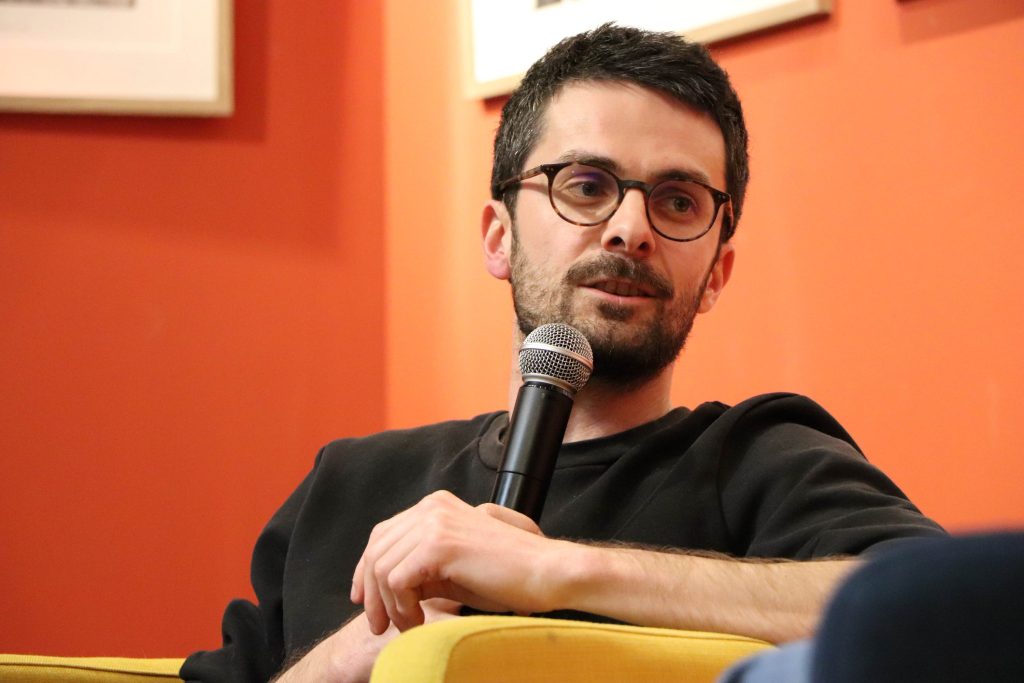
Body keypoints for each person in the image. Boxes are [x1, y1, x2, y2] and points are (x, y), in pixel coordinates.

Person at [180, 24, 944, 683]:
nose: (630, 228)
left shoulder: (759, 457)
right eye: (585, 184)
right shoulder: (349, 483)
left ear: (717, 272)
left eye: (678, 201)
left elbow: (943, 606)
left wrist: (557, 569)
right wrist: (354, 654)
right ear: (499, 237)